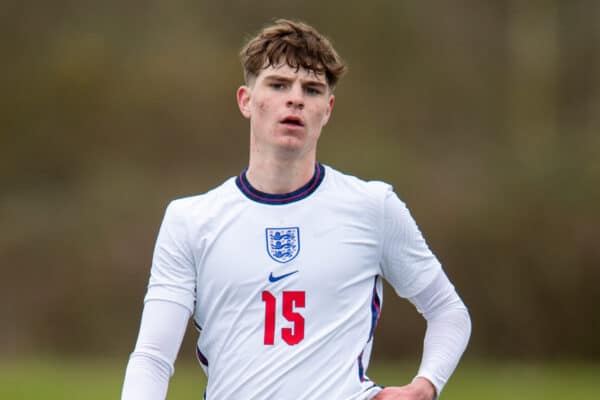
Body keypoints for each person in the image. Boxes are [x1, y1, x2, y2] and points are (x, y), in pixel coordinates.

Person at [122, 19, 471, 400]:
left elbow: (447, 311)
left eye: (312, 89)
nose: (296, 99)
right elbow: (153, 357)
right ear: (246, 100)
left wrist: (426, 385)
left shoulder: (374, 207)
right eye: (278, 85)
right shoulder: (190, 219)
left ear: (328, 109)